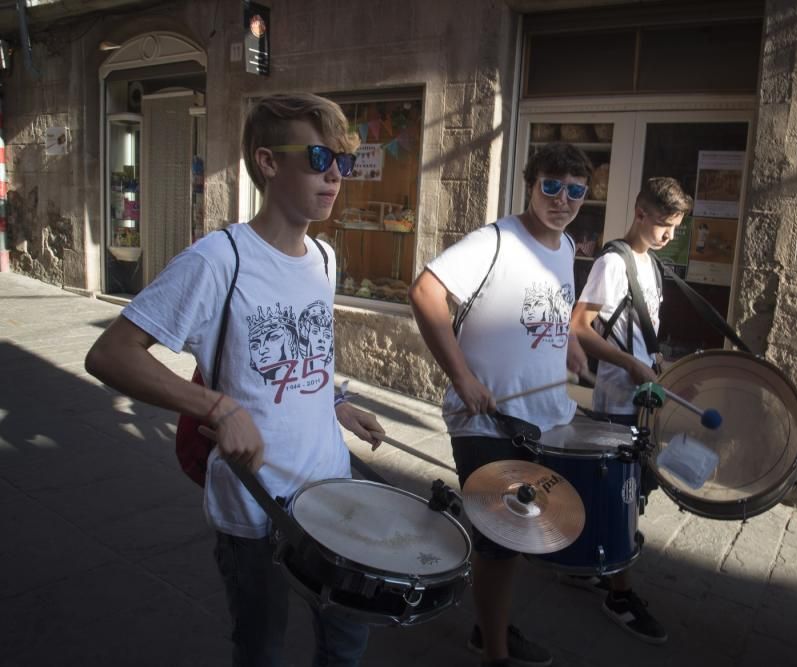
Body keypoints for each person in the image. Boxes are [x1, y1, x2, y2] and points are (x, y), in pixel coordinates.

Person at [85, 93, 385, 667]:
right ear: (268, 162)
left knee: (348, 640)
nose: (335, 175)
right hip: (256, 510)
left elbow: (299, 359)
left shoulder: (324, 258)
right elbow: (111, 354)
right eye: (320, 156)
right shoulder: (219, 259)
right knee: (261, 647)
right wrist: (215, 407)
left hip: (331, 489)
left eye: (343, 162)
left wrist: (336, 403)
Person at [409, 142, 591, 667]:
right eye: (550, 186)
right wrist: (461, 376)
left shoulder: (566, 246)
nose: (562, 199)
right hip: (487, 421)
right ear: (531, 185)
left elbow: (553, 309)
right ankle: (495, 652)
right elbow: (424, 292)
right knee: (500, 543)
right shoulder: (494, 240)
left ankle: (488, 628)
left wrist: (570, 344)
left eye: (575, 190)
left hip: (543, 419)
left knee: (513, 538)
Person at [567, 177, 693, 644]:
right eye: (662, 224)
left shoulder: (651, 263)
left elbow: (641, 330)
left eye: (675, 227)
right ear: (640, 213)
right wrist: (630, 365)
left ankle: (587, 563)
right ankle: (618, 594)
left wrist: (658, 364)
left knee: (630, 490)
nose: (668, 235)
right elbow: (579, 326)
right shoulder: (612, 263)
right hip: (618, 398)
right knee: (624, 498)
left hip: (642, 397)